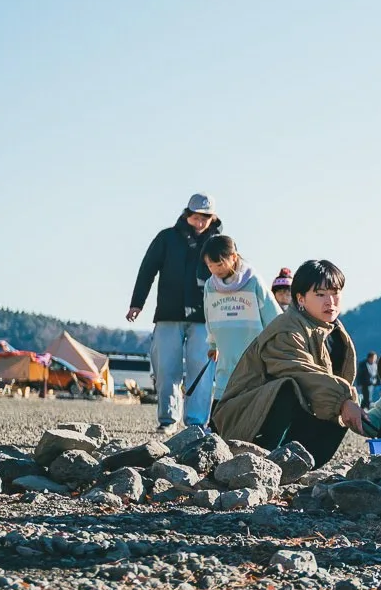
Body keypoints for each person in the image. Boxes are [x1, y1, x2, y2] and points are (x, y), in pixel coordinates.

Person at [211, 259, 364, 463]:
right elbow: (300, 371)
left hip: (289, 422)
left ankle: (306, 463)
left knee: (344, 399)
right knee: (291, 388)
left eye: (335, 292)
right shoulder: (286, 330)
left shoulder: (333, 332)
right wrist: (343, 400)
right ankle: (264, 460)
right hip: (243, 419)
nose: (330, 301)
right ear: (301, 299)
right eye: (320, 294)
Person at [125, 193, 223, 432]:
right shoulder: (166, 238)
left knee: (201, 368)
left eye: (205, 218)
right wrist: (137, 303)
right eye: (196, 217)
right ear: (187, 214)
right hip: (169, 312)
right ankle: (168, 419)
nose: (200, 223)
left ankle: (196, 422)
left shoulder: (220, 243)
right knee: (166, 367)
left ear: (212, 218)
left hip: (204, 317)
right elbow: (147, 269)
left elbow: (230, 276)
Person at [198, 235, 279, 425]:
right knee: (223, 383)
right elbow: (209, 314)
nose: (215, 270)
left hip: (252, 346)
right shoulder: (210, 285)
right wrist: (212, 343)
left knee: (252, 382)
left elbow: (273, 315)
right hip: (225, 347)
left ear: (233, 257)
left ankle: (251, 426)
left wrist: (275, 343)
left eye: (219, 265)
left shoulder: (253, 282)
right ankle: (216, 427)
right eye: (210, 266)